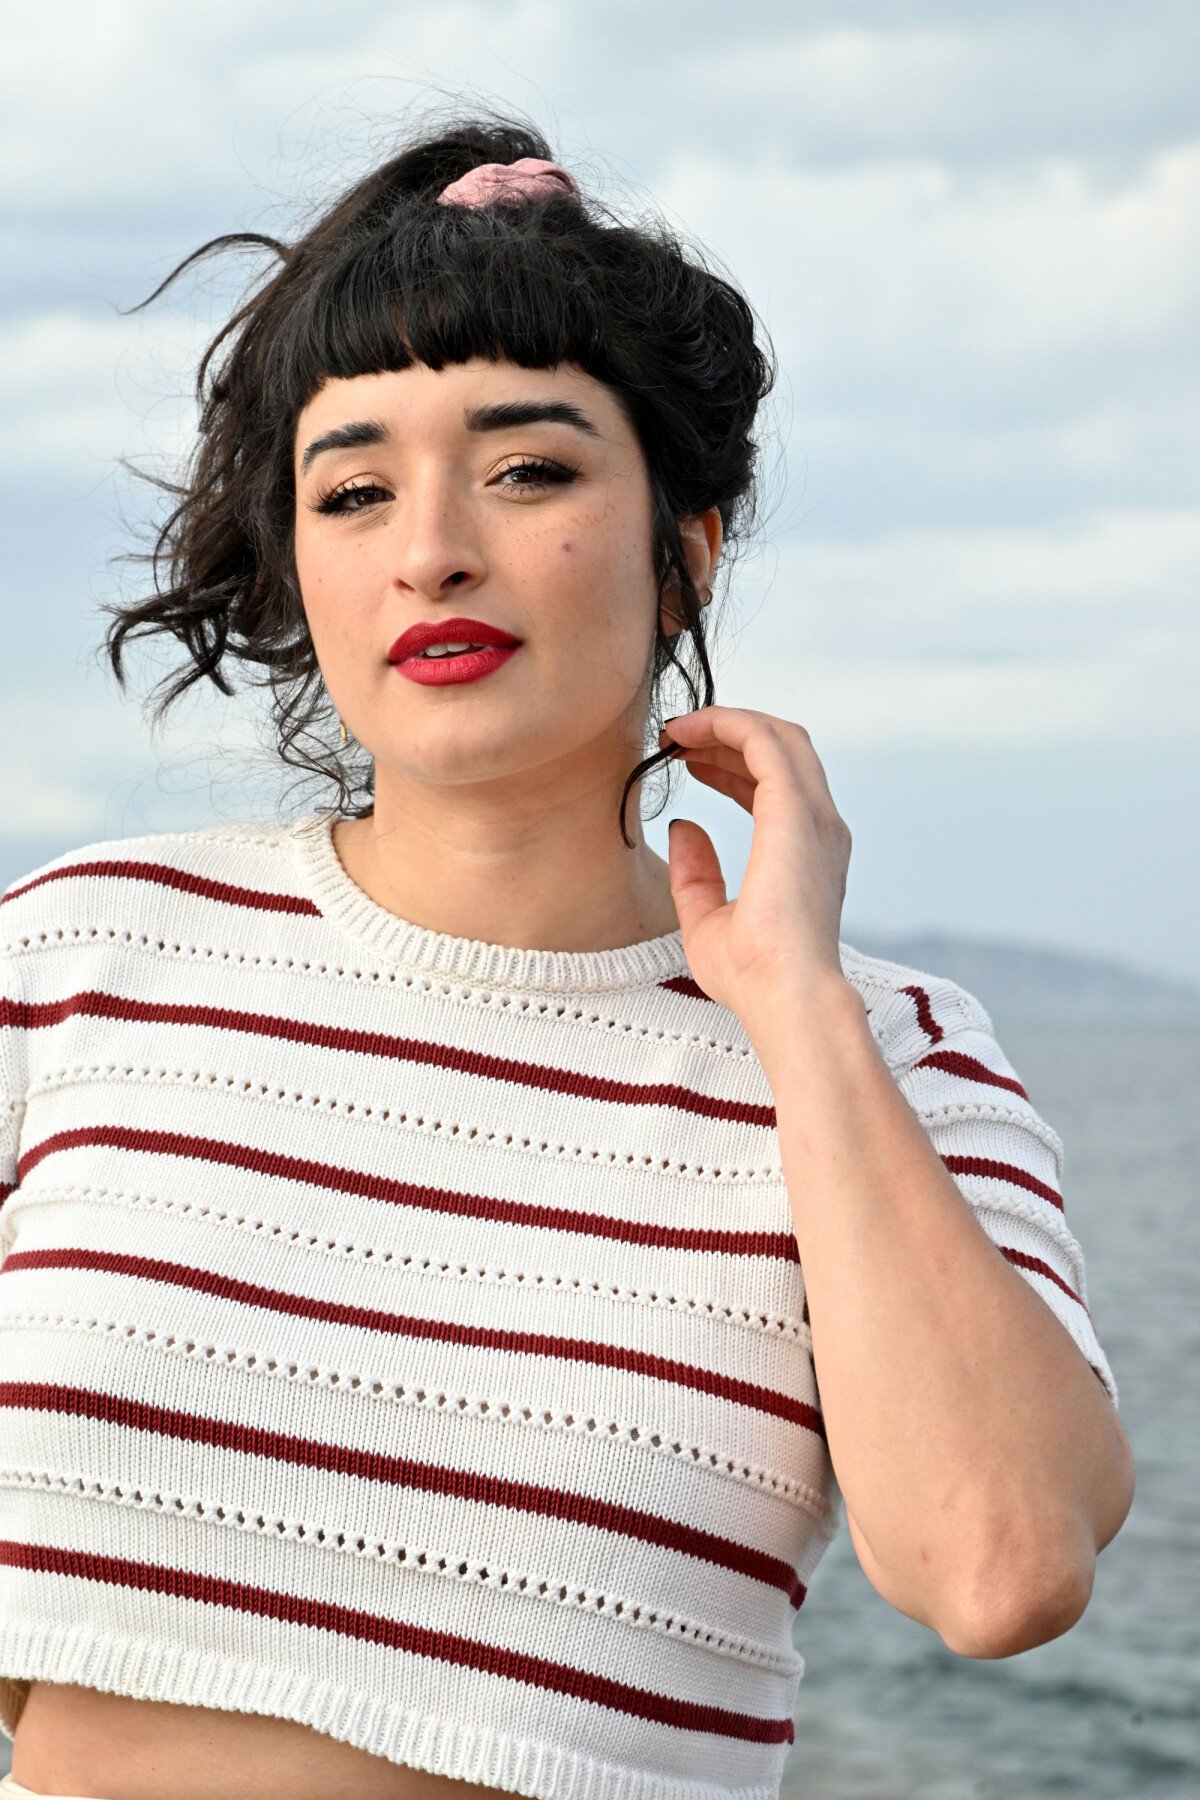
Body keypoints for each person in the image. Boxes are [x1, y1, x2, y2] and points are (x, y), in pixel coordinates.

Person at [0, 112, 1134, 1800]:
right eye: (355, 485)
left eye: (528, 468)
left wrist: (794, 1011)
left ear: (688, 553)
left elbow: (1000, 1565)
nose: (430, 545)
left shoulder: (890, 1056)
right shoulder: (83, 956)